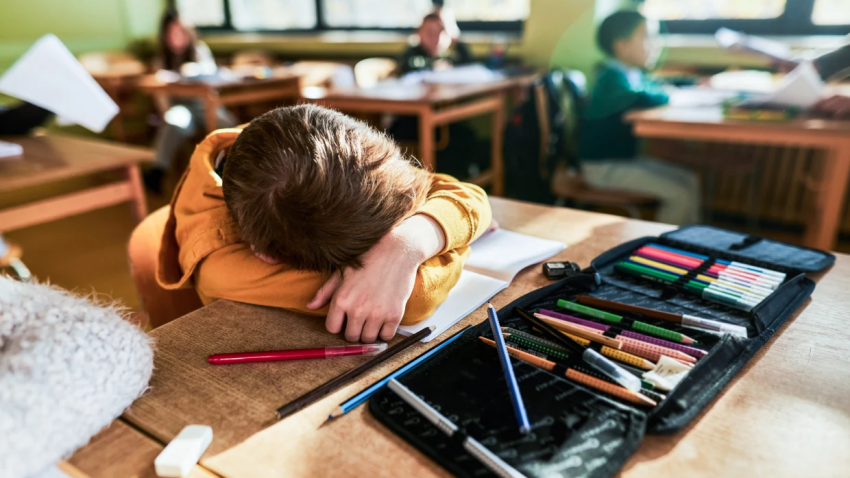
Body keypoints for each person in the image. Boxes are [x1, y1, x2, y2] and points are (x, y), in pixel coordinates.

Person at [156, 105, 492, 343]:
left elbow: (463, 193)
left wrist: (408, 242)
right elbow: (416, 296)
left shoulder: (294, 145)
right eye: (383, 238)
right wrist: (446, 229)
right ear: (267, 255)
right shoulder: (223, 267)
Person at [574, 10, 700, 225]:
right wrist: (672, 93)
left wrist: (686, 84)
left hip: (622, 161)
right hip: (603, 168)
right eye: (646, 37)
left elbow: (652, 88)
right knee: (679, 193)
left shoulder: (630, 74)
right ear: (621, 46)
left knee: (690, 180)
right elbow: (644, 98)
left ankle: (690, 244)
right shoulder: (610, 78)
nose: (655, 45)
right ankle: (666, 251)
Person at [144, 8, 237, 194]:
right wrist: (165, 111)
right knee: (173, 123)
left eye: (180, 32)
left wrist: (196, 71)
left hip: (205, 104)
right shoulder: (162, 59)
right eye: (171, 33)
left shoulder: (199, 51)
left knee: (228, 124)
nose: (176, 37)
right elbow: (161, 93)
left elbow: (213, 79)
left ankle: (229, 168)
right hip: (181, 106)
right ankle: (157, 171)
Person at [399, 11, 474, 75]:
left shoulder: (450, 53)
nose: (434, 37)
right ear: (419, 34)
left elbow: (470, 67)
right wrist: (433, 66)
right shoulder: (412, 53)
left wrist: (457, 43)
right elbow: (407, 67)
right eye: (429, 33)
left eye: (438, 32)